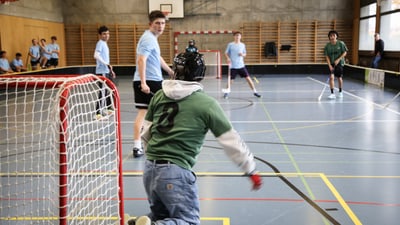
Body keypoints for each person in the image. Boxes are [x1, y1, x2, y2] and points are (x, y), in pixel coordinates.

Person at [127, 51, 262, 225]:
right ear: (201, 73)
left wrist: (153, 156)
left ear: (175, 70)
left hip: (150, 170)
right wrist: (250, 169)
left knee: (162, 216)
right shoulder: (206, 104)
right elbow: (231, 141)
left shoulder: (159, 96)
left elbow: (146, 131)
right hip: (175, 172)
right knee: (188, 221)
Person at [132, 10, 174, 158]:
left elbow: (157, 57)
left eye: (163, 23)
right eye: (157, 23)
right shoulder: (148, 39)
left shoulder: (152, 38)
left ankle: (149, 143)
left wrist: (169, 70)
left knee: (156, 113)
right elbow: (141, 60)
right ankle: (138, 146)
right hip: (148, 81)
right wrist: (143, 83)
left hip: (155, 80)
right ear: (150, 24)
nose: (160, 26)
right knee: (144, 113)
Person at [224, 31, 261, 99]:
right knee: (231, 81)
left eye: (239, 35)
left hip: (241, 65)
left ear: (240, 37)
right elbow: (226, 53)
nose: (237, 37)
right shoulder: (230, 45)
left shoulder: (242, 45)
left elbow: (245, 54)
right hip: (233, 66)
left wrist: (242, 55)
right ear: (234, 36)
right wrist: (228, 58)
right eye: (236, 35)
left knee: (248, 78)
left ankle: (255, 92)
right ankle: (226, 92)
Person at [94, 25, 116, 120]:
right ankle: (98, 113)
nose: (106, 35)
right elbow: (96, 55)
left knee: (108, 90)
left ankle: (106, 109)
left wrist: (110, 70)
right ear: (100, 35)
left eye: (107, 33)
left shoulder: (104, 44)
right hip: (102, 71)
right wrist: (106, 64)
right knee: (103, 92)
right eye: (104, 34)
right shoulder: (100, 43)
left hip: (106, 71)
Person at [324, 30, 348, 99]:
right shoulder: (327, 46)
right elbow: (327, 56)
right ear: (329, 37)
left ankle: (340, 91)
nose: (332, 37)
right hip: (331, 63)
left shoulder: (341, 43)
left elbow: (345, 52)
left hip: (339, 63)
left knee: (339, 78)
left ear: (336, 36)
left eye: (333, 35)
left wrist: (338, 59)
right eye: (331, 36)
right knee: (331, 77)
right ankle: (332, 93)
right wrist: (329, 66)